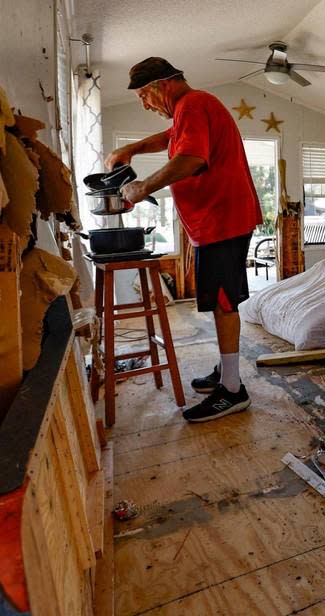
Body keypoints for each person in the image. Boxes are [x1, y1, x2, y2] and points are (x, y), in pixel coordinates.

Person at [107, 57, 262, 423]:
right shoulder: (187, 113)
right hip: (217, 221)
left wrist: (141, 187)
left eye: (145, 95)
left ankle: (233, 391)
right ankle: (227, 372)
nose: (145, 105)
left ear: (163, 85)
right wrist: (130, 149)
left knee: (224, 301)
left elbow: (191, 159)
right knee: (217, 302)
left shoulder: (193, 104)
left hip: (224, 220)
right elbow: (169, 139)